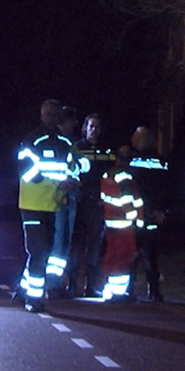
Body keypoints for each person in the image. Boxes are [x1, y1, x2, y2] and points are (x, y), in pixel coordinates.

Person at [16, 98, 78, 313]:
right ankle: (33, 299)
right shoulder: (32, 140)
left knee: (43, 251)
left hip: (53, 205)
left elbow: (72, 167)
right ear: (42, 115)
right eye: (49, 113)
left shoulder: (65, 142)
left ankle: (22, 291)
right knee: (39, 252)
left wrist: (72, 179)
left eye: (56, 113)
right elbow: (26, 171)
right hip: (32, 204)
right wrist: (56, 183)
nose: (53, 117)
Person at [70, 113, 114, 297]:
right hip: (80, 203)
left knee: (95, 246)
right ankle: (71, 285)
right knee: (76, 245)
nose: (94, 130)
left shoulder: (107, 152)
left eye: (97, 126)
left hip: (97, 204)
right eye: (91, 126)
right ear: (85, 128)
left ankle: (92, 286)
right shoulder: (77, 149)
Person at [130, 126, 171, 302]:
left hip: (141, 213)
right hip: (141, 213)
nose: (141, 141)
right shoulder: (159, 160)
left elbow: (165, 187)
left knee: (144, 252)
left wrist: (161, 209)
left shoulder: (132, 160)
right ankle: (148, 290)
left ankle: (148, 288)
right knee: (144, 252)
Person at [49, 106, 85, 297]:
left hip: (69, 197)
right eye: (71, 121)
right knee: (57, 242)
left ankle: (56, 284)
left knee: (64, 243)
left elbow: (77, 166)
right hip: (57, 198)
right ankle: (52, 284)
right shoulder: (55, 143)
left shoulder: (70, 144)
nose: (74, 125)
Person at [99, 145, 142, 302]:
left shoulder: (107, 174)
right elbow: (127, 200)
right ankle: (118, 293)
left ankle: (109, 289)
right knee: (123, 258)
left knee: (112, 256)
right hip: (124, 224)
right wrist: (134, 220)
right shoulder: (124, 176)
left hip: (110, 222)